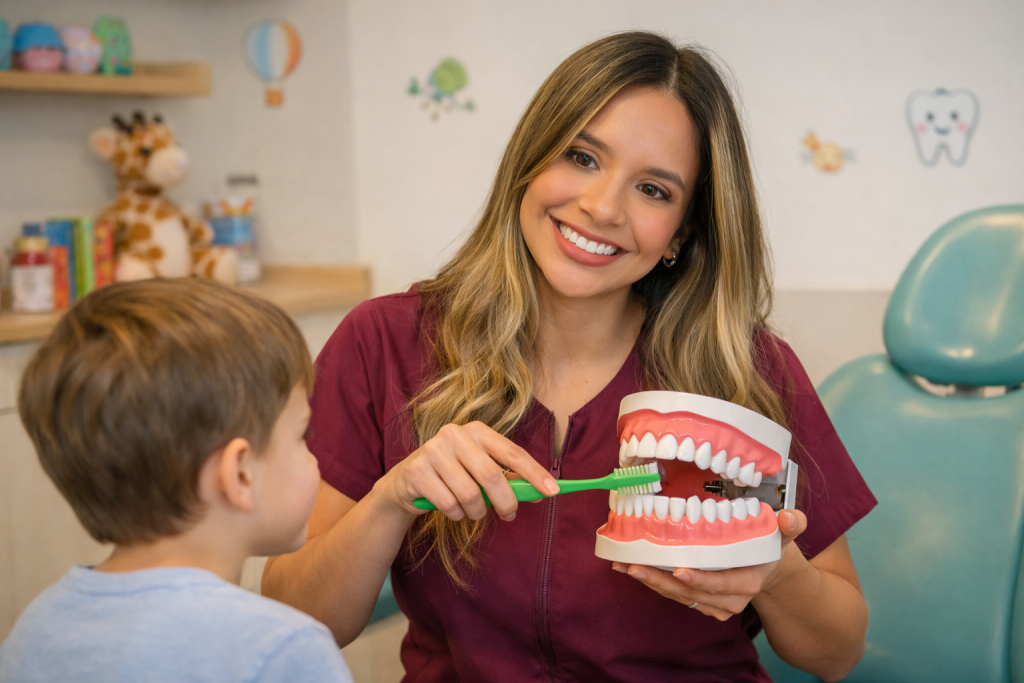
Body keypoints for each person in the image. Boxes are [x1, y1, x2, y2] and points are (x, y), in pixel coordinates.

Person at [262, 31, 876, 682]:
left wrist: (774, 572)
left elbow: (837, 653)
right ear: (531, 158)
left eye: (654, 190)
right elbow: (295, 618)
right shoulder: (383, 344)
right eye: (582, 157)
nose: (602, 207)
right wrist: (391, 499)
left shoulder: (748, 370)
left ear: (681, 233)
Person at [0, 279, 353, 683]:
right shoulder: (282, 649)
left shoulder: (34, 631)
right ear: (239, 474)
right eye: (301, 436)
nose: (315, 459)